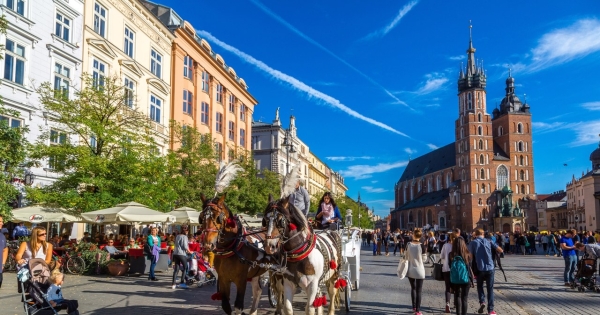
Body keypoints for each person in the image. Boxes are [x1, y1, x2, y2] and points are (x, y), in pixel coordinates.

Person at [469, 228, 503, 315]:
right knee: (490, 289)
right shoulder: (489, 241)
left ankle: (482, 301)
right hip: (490, 268)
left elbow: (470, 256)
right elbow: (500, 250)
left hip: (479, 268)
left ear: (475, 234)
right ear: (483, 234)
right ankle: (490, 310)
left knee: (480, 286)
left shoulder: (473, 243)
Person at [450, 237, 475, 315]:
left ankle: (458, 313)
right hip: (466, 277)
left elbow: (449, 266)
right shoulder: (468, 254)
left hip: (455, 279)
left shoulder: (451, 254)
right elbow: (470, 266)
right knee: (464, 298)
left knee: (457, 296)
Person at [405, 228, 426, 315]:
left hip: (410, 270)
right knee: (419, 290)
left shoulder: (408, 244)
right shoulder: (422, 246)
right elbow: (424, 259)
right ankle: (418, 310)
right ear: (420, 236)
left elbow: (405, 257)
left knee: (413, 288)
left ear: (413, 235)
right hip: (420, 270)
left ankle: (413, 306)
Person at [439, 231, 456, 313]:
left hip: (446, 268)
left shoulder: (445, 245)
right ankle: (456, 303)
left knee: (448, 287)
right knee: (457, 287)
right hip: (456, 269)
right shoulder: (457, 246)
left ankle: (447, 303)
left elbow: (441, 256)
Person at [172, 225, 192, 289]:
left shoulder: (177, 236)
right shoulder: (185, 237)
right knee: (185, 268)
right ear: (187, 231)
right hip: (181, 254)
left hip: (175, 253)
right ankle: (182, 283)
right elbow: (185, 246)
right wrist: (190, 251)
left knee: (176, 269)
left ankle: (173, 284)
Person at [0, 214, 7, 288]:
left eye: (2, 221)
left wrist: (3, 264)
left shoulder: (2, 236)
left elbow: (5, 249)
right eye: (0, 221)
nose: (2, 223)